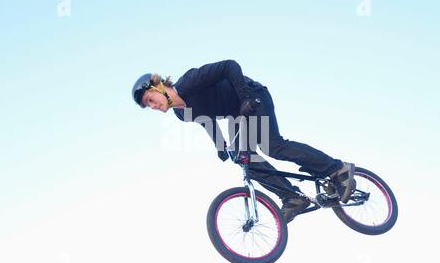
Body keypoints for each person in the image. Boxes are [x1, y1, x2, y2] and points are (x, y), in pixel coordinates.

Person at [131, 60, 356, 222]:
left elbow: (230, 66)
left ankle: (337, 169)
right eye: (148, 106)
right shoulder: (180, 114)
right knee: (244, 159)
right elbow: (206, 121)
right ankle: (292, 197)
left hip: (252, 97)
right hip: (239, 114)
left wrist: (246, 97)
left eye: (151, 99)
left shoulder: (190, 82)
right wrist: (220, 147)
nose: (152, 106)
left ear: (159, 86)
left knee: (271, 146)